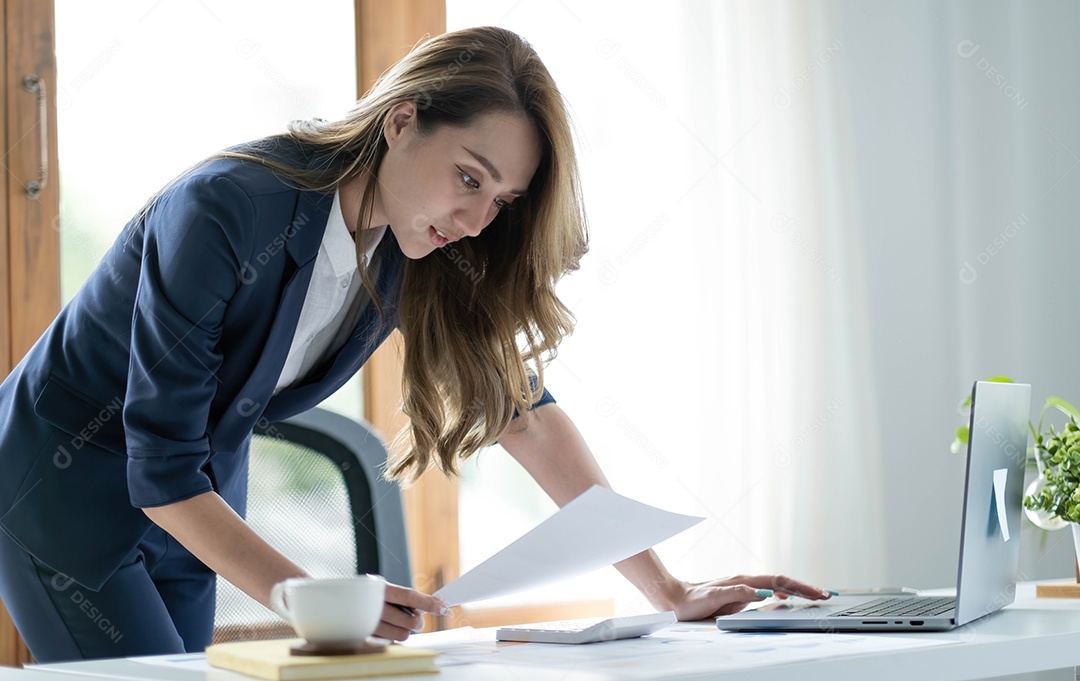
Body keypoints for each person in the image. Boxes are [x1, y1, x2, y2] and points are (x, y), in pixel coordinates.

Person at [0, 26, 831, 663]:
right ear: (402, 121)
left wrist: (668, 588)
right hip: (56, 484)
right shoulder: (225, 210)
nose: (476, 218)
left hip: (196, 503)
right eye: (469, 176)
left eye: (501, 200)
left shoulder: (416, 247)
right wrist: (319, 603)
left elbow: (525, 415)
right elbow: (161, 468)